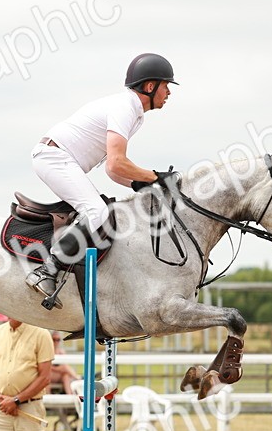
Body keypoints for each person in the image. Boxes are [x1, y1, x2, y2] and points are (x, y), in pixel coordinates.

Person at [26, 53, 178, 304]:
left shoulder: (134, 113)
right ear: (150, 87)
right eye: (166, 86)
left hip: (59, 158)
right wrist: (157, 177)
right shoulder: (125, 108)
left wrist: (144, 184)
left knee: (100, 209)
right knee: (96, 211)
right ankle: (47, 269)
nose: (169, 92)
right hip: (54, 157)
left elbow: (113, 170)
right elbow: (117, 162)